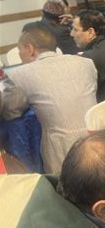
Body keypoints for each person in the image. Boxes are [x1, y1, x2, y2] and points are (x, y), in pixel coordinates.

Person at [1, 22, 96, 173]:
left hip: (63, 155)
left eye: (20, 50)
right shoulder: (86, 63)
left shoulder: (20, 74)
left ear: (30, 48)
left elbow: (11, 111)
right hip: (99, 141)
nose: (20, 55)